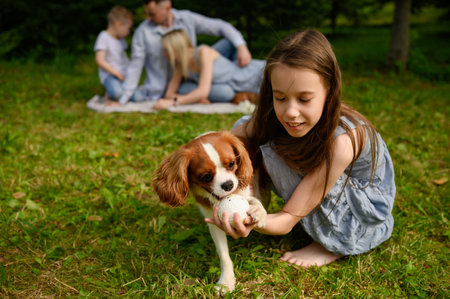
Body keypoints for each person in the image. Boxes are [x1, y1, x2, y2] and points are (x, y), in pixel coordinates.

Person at [205, 30, 396, 268]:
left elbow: (285, 221)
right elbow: (229, 143)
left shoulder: (343, 142)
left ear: (329, 91)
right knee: (243, 130)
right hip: (320, 187)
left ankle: (331, 243)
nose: (291, 112)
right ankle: (253, 195)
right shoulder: (273, 117)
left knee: (277, 153)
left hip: (361, 214)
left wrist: (255, 222)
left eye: (304, 99)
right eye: (280, 97)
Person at [117, 0, 253, 106]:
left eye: (152, 14)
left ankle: (237, 77)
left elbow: (221, 26)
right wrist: (123, 99)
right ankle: (222, 90)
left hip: (197, 66)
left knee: (231, 42)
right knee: (225, 93)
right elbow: (135, 66)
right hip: (182, 80)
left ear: (167, 8)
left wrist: (241, 47)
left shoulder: (187, 19)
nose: (148, 18)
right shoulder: (142, 32)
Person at [153, 29, 265, 110]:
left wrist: (173, 103)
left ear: (176, 48)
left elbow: (203, 92)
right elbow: (169, 94)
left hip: (251, 75)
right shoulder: (180, 66)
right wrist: (193, 98)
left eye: (166, 50)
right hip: (236, 88)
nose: (164, 54)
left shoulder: (203, 52)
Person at [94, 6, 144, 106]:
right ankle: (110, 95)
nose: (128, 32)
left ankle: (119, 96)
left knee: (139, 98)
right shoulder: (104, 37)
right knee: (118, 93)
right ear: (118, 25)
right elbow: (99, 60)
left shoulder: (121, 40)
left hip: (123, 75)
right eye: (128, 28)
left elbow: (124, 59)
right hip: (110, 75)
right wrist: (116, 73)